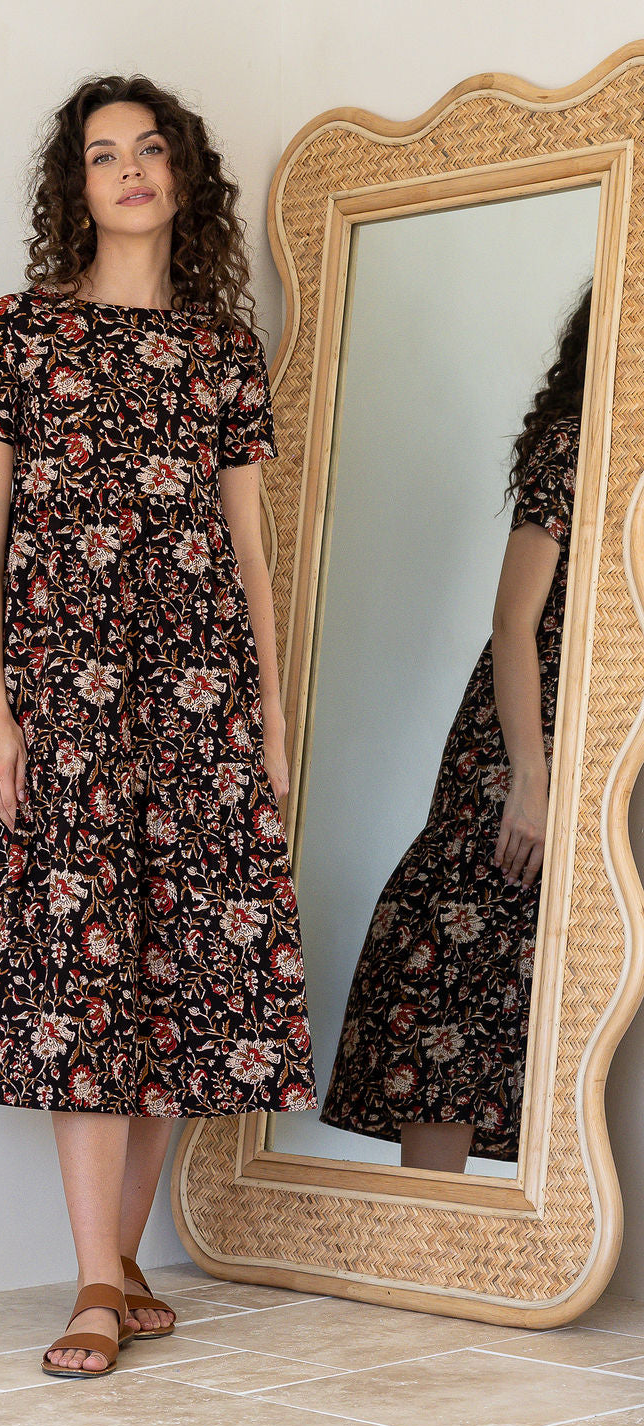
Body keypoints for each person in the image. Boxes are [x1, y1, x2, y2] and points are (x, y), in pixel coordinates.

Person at [0, 73, 316, 1379]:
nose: (130, 169)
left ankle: (121, 1256)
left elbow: (249, 551)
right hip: (66, 700)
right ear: (77, 188)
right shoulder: (13, 334)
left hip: (202, 700)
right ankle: (96, 1281)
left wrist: (271, 714)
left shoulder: (223, 351)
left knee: (184, 979)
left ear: (181, 174)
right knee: (83, 975)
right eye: (103, 155)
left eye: (149, 148)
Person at [319, 283, 591, 1174]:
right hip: (520, 741)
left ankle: (478, 1230)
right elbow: (513, 621)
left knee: (536, 985)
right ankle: (425, 1223)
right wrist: (530, 776)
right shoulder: (574, 445)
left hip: (600, 740)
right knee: (455, 965)